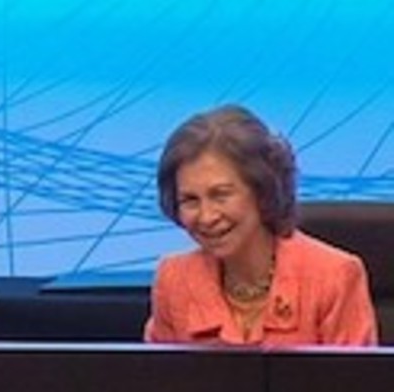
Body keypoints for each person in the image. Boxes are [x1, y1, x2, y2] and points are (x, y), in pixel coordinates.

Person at [144, 104, 377, 346]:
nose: (206, 217)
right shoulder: (174, 280)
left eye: (221, 195)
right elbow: (153, 371)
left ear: (262, 190)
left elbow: (352, 372)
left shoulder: (335, 278)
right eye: (190, 200)